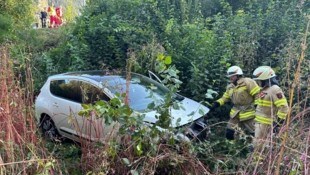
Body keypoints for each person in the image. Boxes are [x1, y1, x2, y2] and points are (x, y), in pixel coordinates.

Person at [211, 66, 260, 140]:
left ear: (238, 75)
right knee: (229, 134)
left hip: (249, 114)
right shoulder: (230, 87)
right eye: (229, 76)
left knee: (255, 134)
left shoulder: (248, 82)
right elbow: (225, 97)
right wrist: (217, 103)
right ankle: (233, 148)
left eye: (232, 76)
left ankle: (257, 148)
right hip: (235, 114)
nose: (230, 78)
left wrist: (257, 105)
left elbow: (257, 94)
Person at [252, 66, 288, 150]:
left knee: (259, 147)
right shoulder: (264, 89)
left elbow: (284, 107)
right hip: (259, 123)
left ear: (265, 79)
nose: (258, 83)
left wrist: (278, 122)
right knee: (258, 146)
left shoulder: (274, 89)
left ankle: (259, 161)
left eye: (259, 80)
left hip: (266, 124)